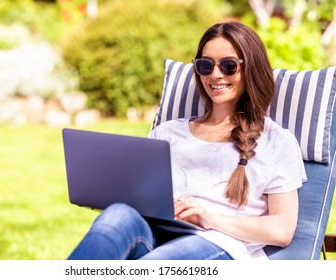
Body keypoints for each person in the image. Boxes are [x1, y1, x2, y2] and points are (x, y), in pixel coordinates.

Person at [67, 21, 306, 260]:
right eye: (205, 65)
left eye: (228, 65)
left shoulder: (277, 141)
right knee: (117, 214)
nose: (215, 75)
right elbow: (141, 195)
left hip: (218, 244)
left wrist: (208, 218)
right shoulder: (167, 132)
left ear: (251, 68)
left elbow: (282, 230)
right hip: (156, 232)